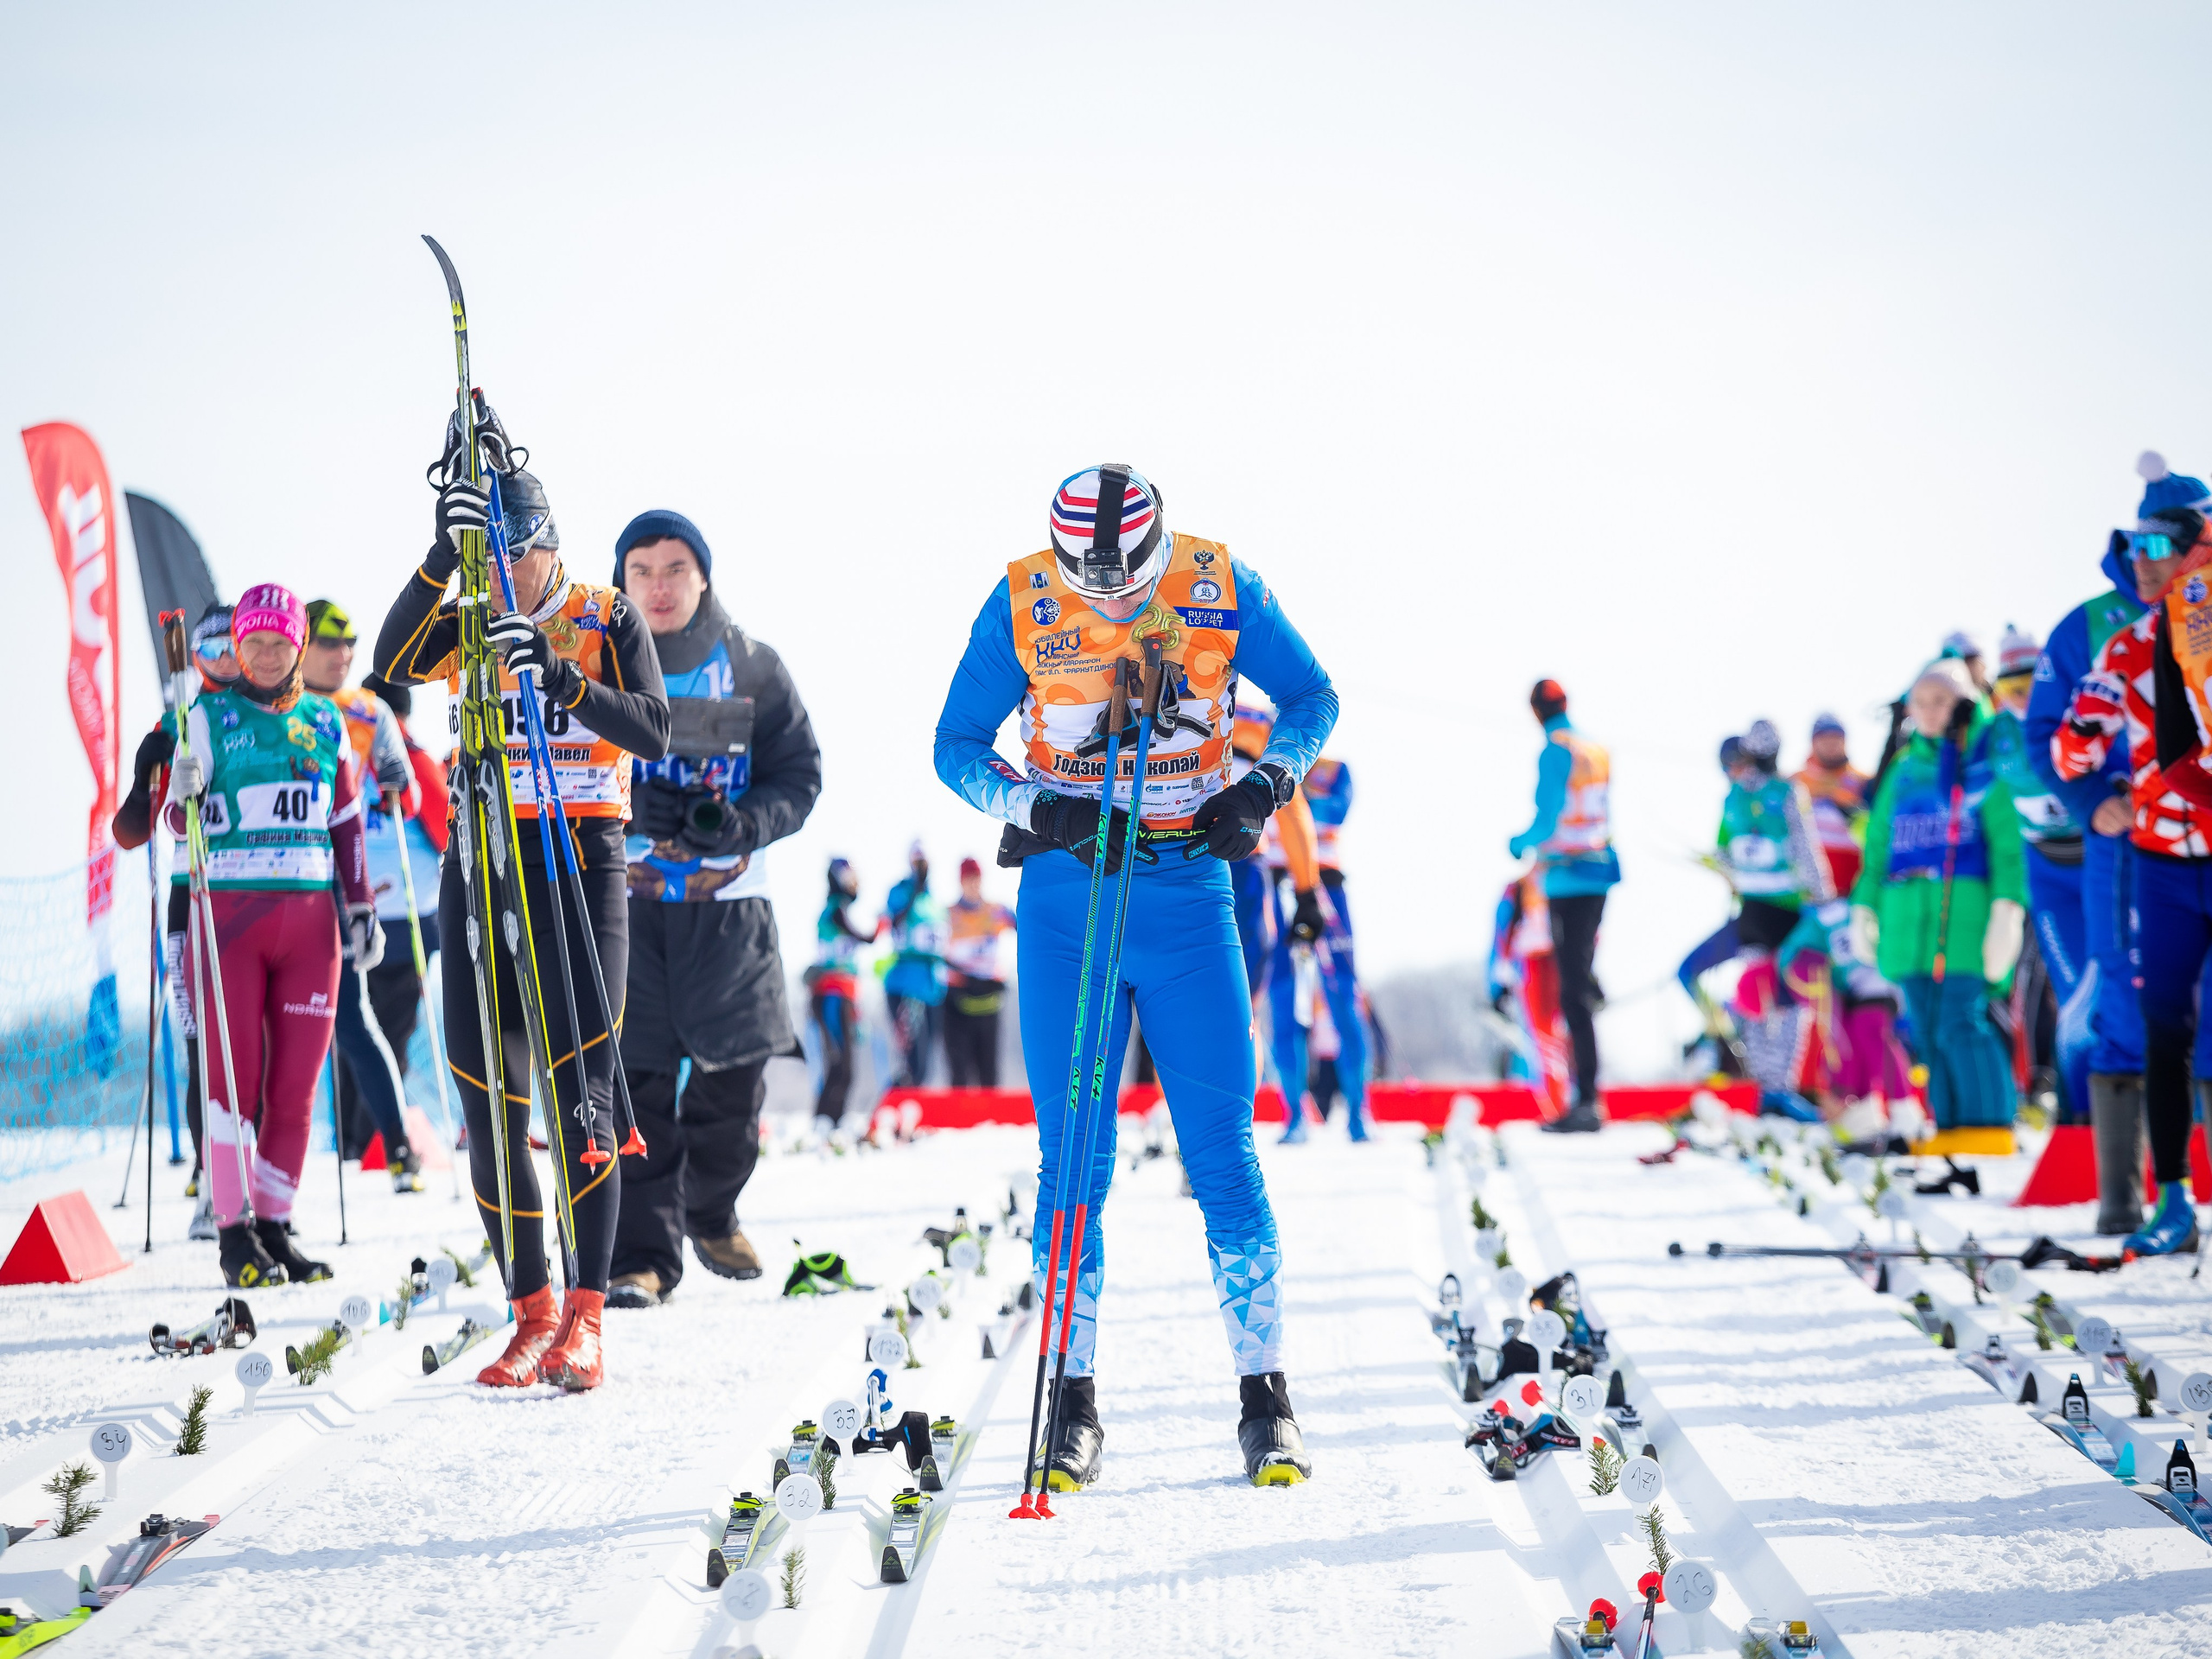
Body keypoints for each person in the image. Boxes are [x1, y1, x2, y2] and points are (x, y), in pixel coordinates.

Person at [932, 462, 1337, 1487]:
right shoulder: (1022, 598)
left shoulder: (1219, 581)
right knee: (1074, 1161)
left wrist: (1264, 786)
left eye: (1128, 581)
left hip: (1189, 893)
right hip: (1071, 899)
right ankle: (1071, 1402)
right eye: (1091, 582)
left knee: (1222, 1152)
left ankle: (1266, 1399)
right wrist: (1038, 808)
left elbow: (1312, 697)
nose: (1110, 600)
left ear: (1158, 550)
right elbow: (955, 746)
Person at [375, 404, 669, 1389]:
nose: (501, 577)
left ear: (547, 546)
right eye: (485, 560)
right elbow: (390, 666)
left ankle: (587, 1315)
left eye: (514, 558)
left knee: (583, 1087)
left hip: (579, 856)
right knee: (485, 1090)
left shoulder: (604, 613)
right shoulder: (467, 617)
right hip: (484, 857)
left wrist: (566, 683)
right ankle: (531, 1310)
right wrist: (437, 559)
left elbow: (655, 729)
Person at [605, 511, 821, 1306]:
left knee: (734, 1084)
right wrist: (631, 809)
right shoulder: (595, 667)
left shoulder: (754, 666)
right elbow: (556, 770)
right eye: (641, 571)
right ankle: (641, 1258)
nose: (658, 587)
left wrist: (744, 822)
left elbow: (799, 775)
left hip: (732, 912)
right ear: (621, 583)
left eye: (675, 569)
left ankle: (712, 1210)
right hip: (625, 909)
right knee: (634, 1085)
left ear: (703, 576)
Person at [162, 583, 378, 1287]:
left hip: (311, 924)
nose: (262, 654)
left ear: (299, 646)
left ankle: (276, 1228)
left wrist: (361, 906)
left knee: (295, 1088)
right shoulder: (206, 715)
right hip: (231, 919)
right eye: (250, 642)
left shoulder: (325, 718)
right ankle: (234, 1233)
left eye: (277, 642)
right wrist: (182, 792)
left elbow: (346, 819)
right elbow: (175, 822)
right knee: (234, 1083)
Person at [2055, 484, 2212, 1255]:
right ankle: (2172, 1202)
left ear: (2195, 552)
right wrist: (2090, 762)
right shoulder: (2123, 646)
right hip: (2164, 859)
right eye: (2131, 549)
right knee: (2164, 1026)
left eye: (2156, 548)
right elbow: (2068, 753)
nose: (2139, 563)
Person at [2025, 454, 2164, 1234]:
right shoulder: (2090, 627)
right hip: (2125, 839)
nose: (2153, 561)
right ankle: (2122, 1203)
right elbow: (2045, 731)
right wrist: (2090, 801)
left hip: (2201, 828)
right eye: (2144, 545)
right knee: (2119, 997)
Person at [1853, 659, 2024, 1153]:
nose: (1930, 712)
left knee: (1960, 1021)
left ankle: (1989, 1123)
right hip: (1907, 925)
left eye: (1941, 701)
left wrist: (2008, 910)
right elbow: (1878, 847)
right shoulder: (1903, 770)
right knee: (1928, 1029)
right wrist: (1864, 908)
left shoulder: (1984, 764)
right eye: (1921, 703)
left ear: (1966, 703)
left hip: (1964, 918)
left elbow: (2008, 846)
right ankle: (1949, 1126)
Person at [112, 601, 239, 1236]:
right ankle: (208, 1166)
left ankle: (248, 1171)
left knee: (250, 1041)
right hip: (193, 891)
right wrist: (146, 777)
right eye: (213, 650)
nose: (228, 662)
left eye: (235, 648)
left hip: (256, 892)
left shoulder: (282, 713)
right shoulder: (181, 719)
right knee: (199, 1039)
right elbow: (129, 834)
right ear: (195, 657)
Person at [302, 599, 426, 1192]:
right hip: (278, 879)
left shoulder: (368, 710)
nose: (343, 654)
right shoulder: (272, 707)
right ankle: (229, 1161)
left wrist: (397, 782)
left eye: (349, 643)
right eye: (329, 643)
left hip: (342, 882)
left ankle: (397, 1147)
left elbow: (412, 798)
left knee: (353, 1017)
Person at [1982, 624, 2086, 1122]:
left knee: (2108, 980)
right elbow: (1950, 780)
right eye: (2009, 689)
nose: (2021, 698)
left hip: (2095, 857)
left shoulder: (2076, 712)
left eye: (2030, 685)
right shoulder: (1996, 733)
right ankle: (2066, 1098)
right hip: (2043, 870)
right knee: (2061, 987)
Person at [1507, 680, 1620, 1132]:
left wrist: (1519, 843)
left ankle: (1587, 1101)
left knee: (1572, 993)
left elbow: (1548, 815)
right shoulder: (1597, 749)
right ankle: (1587, 1095)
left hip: (1567, 876)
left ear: (1535, 711)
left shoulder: (1555, 750)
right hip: (1600, 870)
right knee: (1579, 980)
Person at [357, 671, 450, 1105]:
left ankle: (363, 1133)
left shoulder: (355, 755)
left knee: (364, 1031)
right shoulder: (407, 757)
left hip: (379, 918)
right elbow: (449, 832)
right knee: (380, 1033)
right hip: (394, 920)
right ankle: (372, 1133)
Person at [1265, 753, 1368, 1142]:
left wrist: (1292, 796)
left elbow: (1334, 812)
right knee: (1283, 1000)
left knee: (1343, 998)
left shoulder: (1334, 769)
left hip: (1326, 886)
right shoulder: (1264, 758)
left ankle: (1358, 1115)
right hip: (1276, 883)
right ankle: (1295, 1117)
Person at [808, 859, 880, 1133]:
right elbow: (866, 938)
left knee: (844, 1065)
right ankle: (825, 1121)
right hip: (832, 997)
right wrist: (882, 925)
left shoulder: (838, 909)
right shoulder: (836, 910)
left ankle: (831, 1121)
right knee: (840, 1064)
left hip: (843, 996)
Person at [944, 857, 1016, 1087]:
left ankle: (991, 1110)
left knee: (989, 1072)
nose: (974, 884)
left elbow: (1027, 929)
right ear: (961, 882)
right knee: (959, 1073)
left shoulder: (997, 911)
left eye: (977, 879)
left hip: (988, 998)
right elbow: (935, 953)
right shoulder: (948, 915)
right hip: (958, 1000)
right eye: (969, 880)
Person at [881, 842, 948, 1087]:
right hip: (906, 987)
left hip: (932, 989)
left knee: (926, 1064)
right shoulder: (899, 892)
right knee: (913, 1061)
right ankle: (895, 1101)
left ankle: (909, 1102)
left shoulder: (934, 901)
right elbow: (895, 921)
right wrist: (913, 894)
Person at [1792, 714, 1869, 893]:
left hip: (1853, 887)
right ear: (1813, 742)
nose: (1831, 744)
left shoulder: (1863, 782)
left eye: (1836, 738)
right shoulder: (1794, 783)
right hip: (1807, 891)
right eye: (1824, 738)